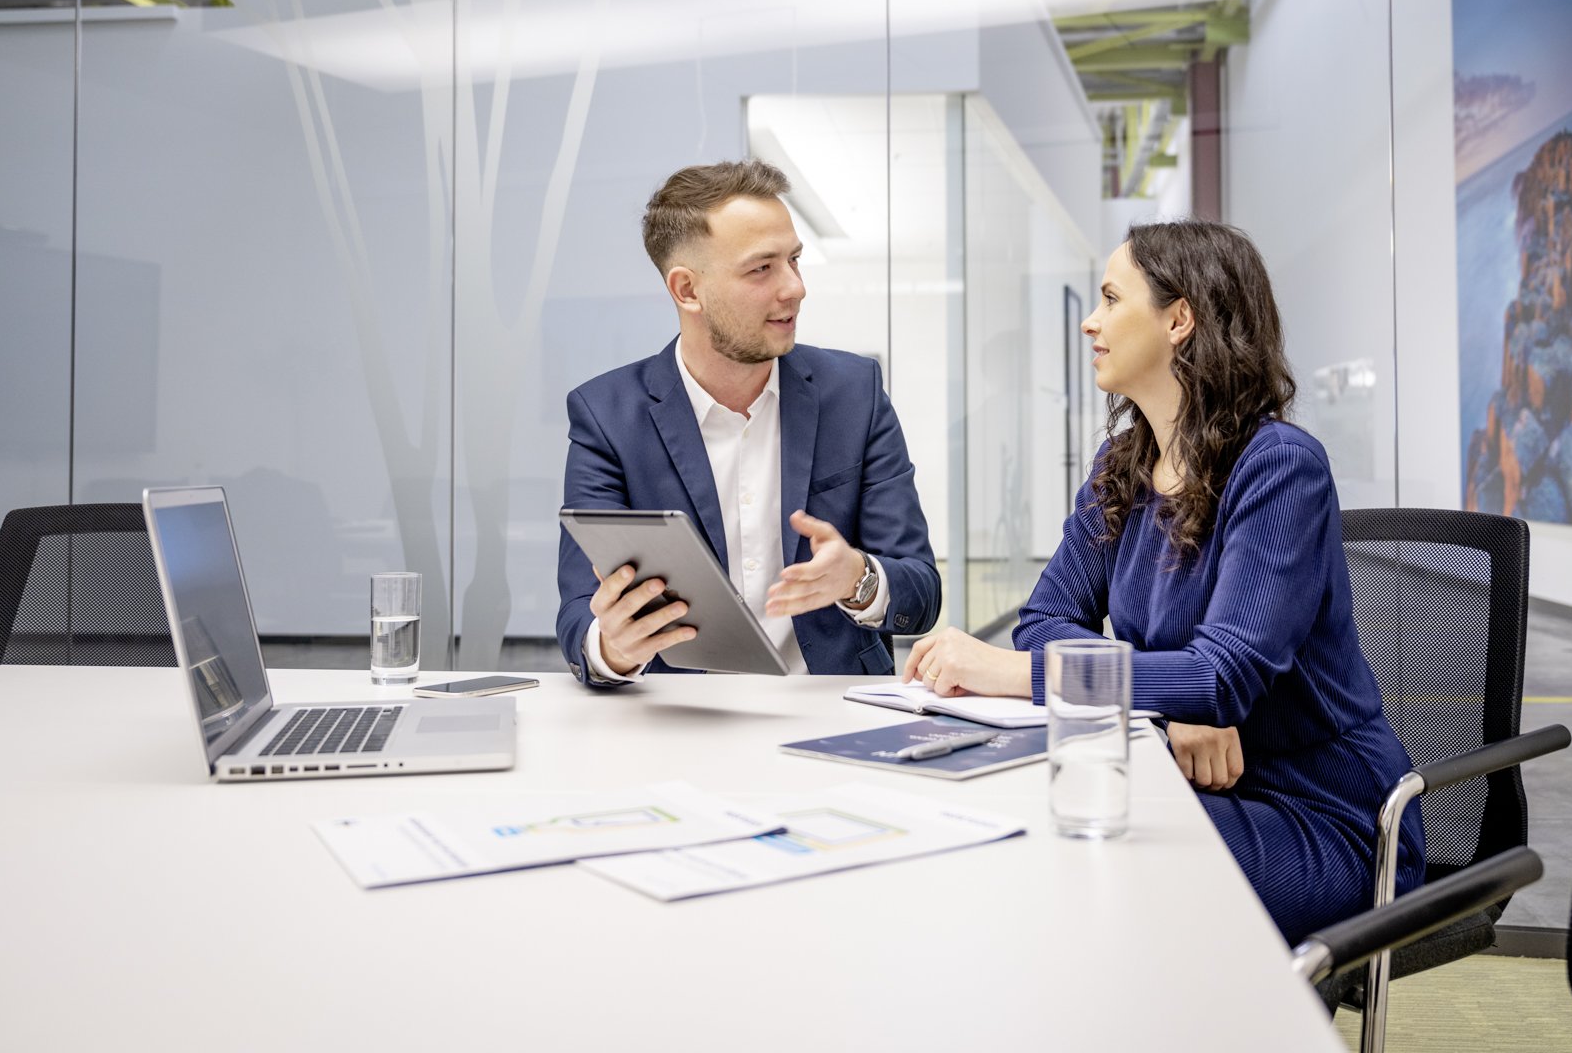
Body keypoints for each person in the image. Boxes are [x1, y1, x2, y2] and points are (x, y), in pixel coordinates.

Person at [902, 220, 1423, 942]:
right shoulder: (1122, 464)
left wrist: (1016, 674)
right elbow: (1047, 620)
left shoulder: (1279, 467)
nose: (1090, 321)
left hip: (1322, 819)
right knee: (1051, 825)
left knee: (1079, 854)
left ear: (1179, 320)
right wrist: (1173, 706)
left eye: (1112, 299)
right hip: (1181, 775)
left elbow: (1220, 676)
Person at [555, 160, 942, 686]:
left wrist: (858, 579)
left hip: (832, 708)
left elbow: (921, 594)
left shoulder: (855, 394)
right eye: (762, 268)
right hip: (680, 713)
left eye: (794, 260)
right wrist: (614, 647)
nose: (795, 288)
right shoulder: (607, 417)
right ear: (687, 290)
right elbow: (580, 610)